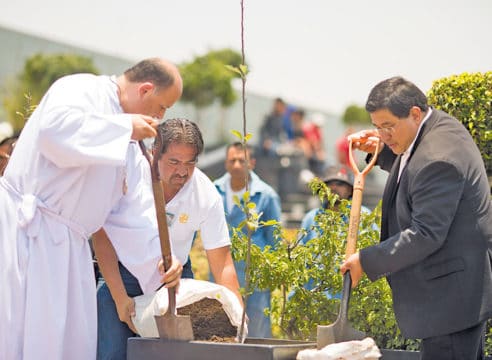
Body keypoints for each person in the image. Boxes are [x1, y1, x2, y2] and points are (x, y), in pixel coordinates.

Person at [0, 57, 182, 360]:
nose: (160, 117)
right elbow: (52, 133)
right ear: (146, 89)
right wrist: (122, 127)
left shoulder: (131, 146)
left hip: (68, 253)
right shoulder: (81, 89)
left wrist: (162, 260)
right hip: (22, 234)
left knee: (64, 345)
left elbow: (132, 216)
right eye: (162, 106)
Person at [341, 76, 492, 359]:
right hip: (455, 296)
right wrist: (383, 151)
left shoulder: (439, 156)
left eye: (388, 126)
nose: (382, 134)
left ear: (414, 113)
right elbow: (415, 169)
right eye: (377, 127)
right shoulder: (436, 127)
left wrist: (366, 260)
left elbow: (426, 233)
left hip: (450, 304)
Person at [94, 118, 242, 359]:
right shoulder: (130, 176)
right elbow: (103, 235)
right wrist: (120, 299)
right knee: (113, 353)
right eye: (173, 162)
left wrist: (238, 313)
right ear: (154, 154)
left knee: (177, 354)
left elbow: (222, 261)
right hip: (120, 275)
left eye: (190, 162)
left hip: (175, 281)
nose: (182, 171)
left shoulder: (205, 193)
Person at [214, 142, 281, 338]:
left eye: (241, 160)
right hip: (221, 273)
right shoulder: (214, 191)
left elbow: (274, 237)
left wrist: (274, 273)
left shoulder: (266, 195)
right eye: (232, 160)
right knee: (223, 330)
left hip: (256, 279)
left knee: (257, 332)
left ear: (251, 163)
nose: (236, 165)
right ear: (225, 163)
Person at [300, 166, 372, 244]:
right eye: (328, 184)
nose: (334, 188)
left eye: (340, 184)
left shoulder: (363, 215)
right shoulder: (311, 218)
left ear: (350, 190)